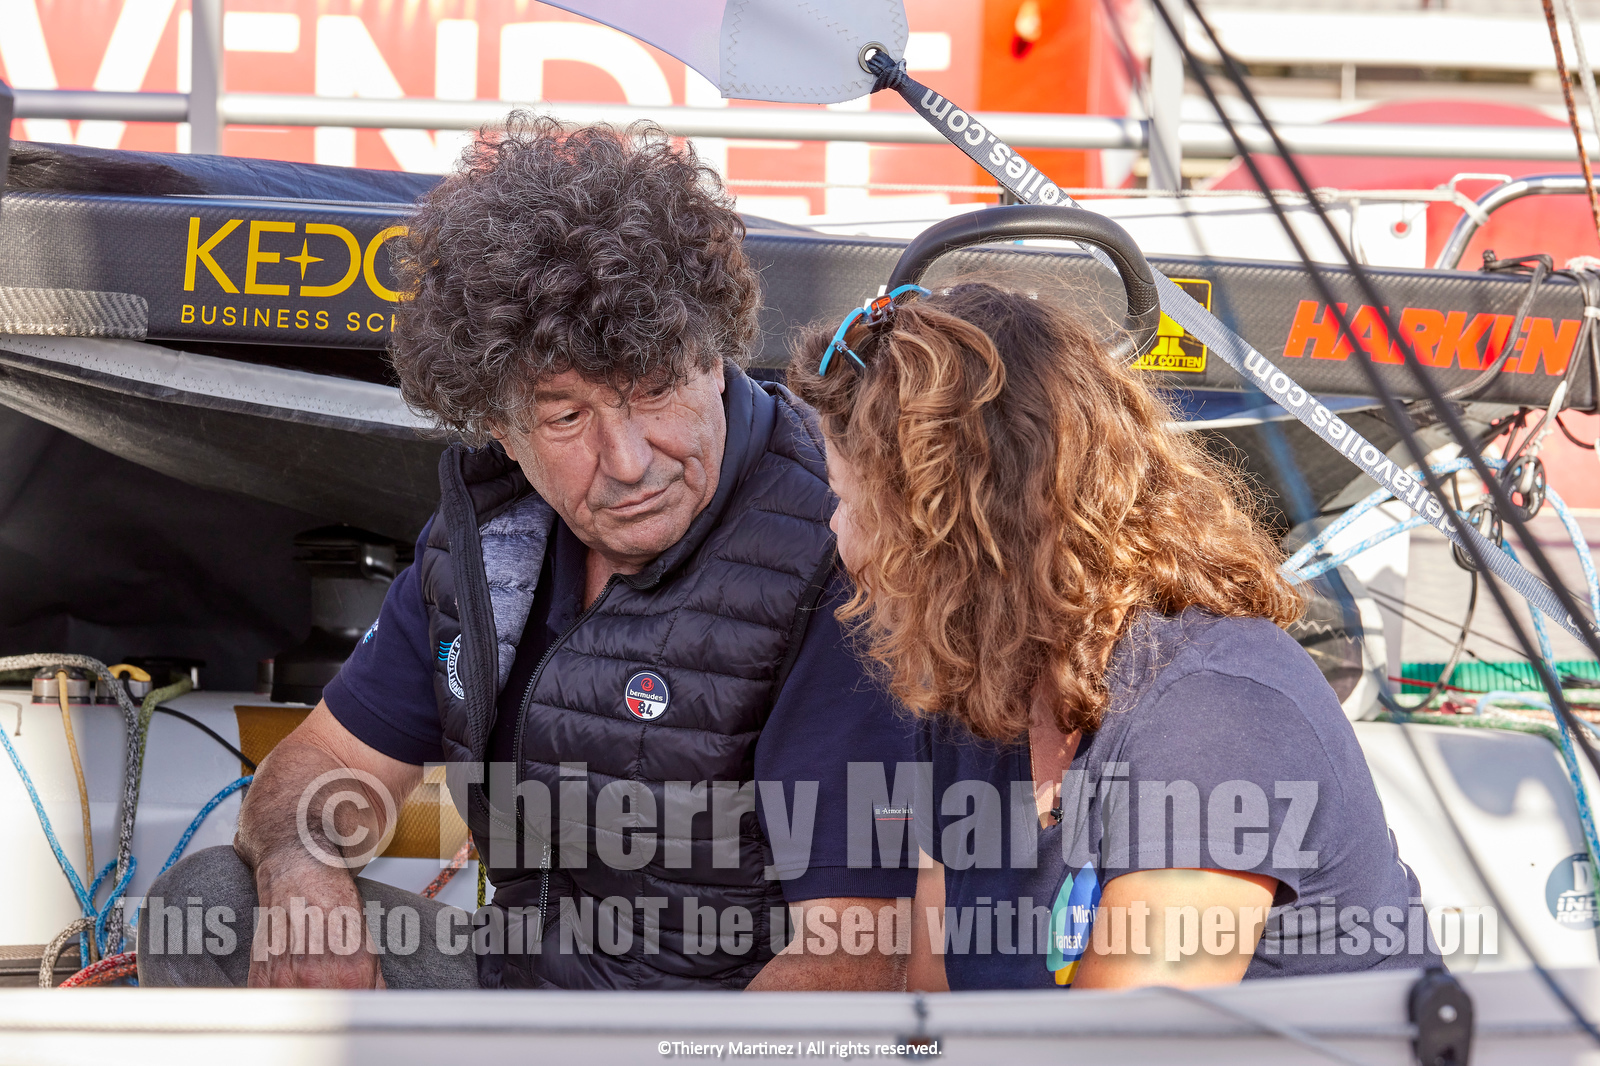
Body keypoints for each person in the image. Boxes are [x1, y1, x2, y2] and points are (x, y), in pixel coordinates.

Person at [138, 116, 918, 991]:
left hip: (704, 1032)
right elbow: (323, 764)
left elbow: (853, 955)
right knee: (212, 908)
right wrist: (304, 871)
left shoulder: (832, 545)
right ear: (499, 429)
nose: (629, 460)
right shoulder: (484, 541)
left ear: (717, 354)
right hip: (515, 996)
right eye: (566, 417)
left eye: (654, 387)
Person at [788, 279, 1440, 991]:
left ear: (950, 538)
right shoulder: (975, 708)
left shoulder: (1214, 714)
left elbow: (1123, 1043)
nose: (837, 537)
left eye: (849, 504)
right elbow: (934, 1024)